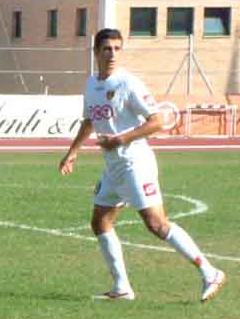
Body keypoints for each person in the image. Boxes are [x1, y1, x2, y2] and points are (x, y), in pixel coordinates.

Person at [60, 28, 225, 303]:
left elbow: (158, 120)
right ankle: (122, 287)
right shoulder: (91, 85)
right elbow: (89, 120)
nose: (112, 54)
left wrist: (122, 138)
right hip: (113, 167)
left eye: (117, 48)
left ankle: (210, 272)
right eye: (106, 48)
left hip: (135, 163)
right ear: (95, 52)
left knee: (157, 224)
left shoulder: (128, 84)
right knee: (100, 222)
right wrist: (72, 152)